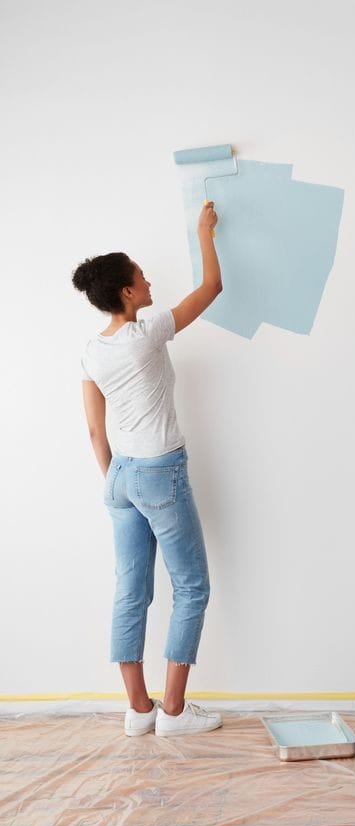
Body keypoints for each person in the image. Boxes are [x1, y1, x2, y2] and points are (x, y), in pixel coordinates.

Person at [74, 201, 223, 738]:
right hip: (161, 471)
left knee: (130, 590)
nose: (148, 278)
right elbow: (211, 288)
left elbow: (96, 432)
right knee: (192, 587)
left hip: (119, 477)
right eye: (141, 275)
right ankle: (176, 713)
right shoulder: (148, 332)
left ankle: (139, 710)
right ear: (127, 293)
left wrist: (121, 479)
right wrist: (204, 232)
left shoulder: (93, 351)